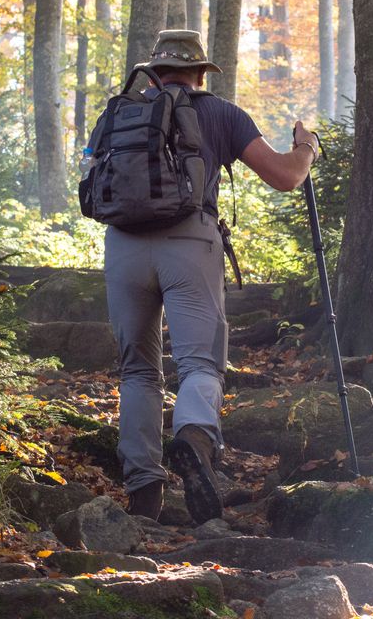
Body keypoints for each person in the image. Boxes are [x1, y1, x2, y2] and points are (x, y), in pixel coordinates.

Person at [105, 29, 319, 524]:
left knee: (137, 370)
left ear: (154, 72)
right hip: (189, 243)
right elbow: (285, 176)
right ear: (203, 73)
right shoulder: (220, 113)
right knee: (200, 363)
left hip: (123, 247)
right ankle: (195, 438)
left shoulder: (122, 112)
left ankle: (143, 494)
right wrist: (305, 147)